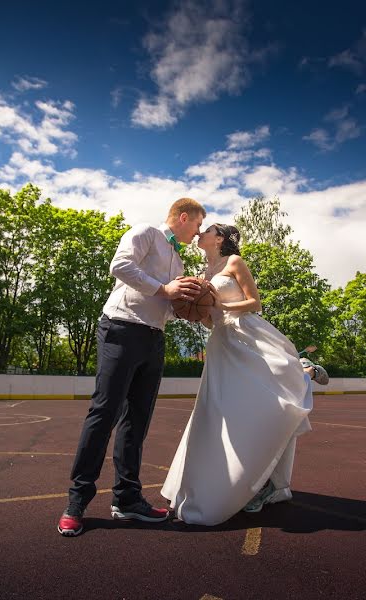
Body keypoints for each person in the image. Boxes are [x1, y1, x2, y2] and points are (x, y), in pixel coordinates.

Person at [57, 197, 207, 537]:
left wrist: (191, 306)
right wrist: (164, 289)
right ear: (184, 217)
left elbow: (166, 305)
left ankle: (126, 499)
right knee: (104, 413)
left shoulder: (179, 264)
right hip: (121, 328)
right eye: (197, 225)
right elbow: (120, 266)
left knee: (136, 420)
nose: (198, 233)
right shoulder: (146, 232)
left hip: (154, 338)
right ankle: (76, 502)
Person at [161, 224, 314, 525]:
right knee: (219, 414)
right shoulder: (203, 274)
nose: (199, 234)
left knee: (273, 403)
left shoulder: (234, 262)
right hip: (220, 344)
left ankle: (305, 370)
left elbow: (254, 303)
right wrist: (194, 311)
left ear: (219, 238)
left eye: (206, 230)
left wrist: (220, 303)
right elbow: (209, 320)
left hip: (247, 337)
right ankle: (233, 483)